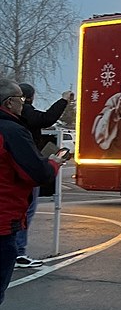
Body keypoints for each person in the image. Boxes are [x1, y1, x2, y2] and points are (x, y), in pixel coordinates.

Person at [0, 79, 66, 310]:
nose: (24, 104)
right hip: (4, 219)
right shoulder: (13, 131)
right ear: (9, 103)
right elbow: (36, 173)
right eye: (20, 100)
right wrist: (55, 162)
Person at [14, 84, 74, 269]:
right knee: (23, 211)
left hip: (19, 170)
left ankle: (16, 251)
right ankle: (18, 253)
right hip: (25, 171)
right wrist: (63, 100)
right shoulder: (21, 117)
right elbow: (45, 119)